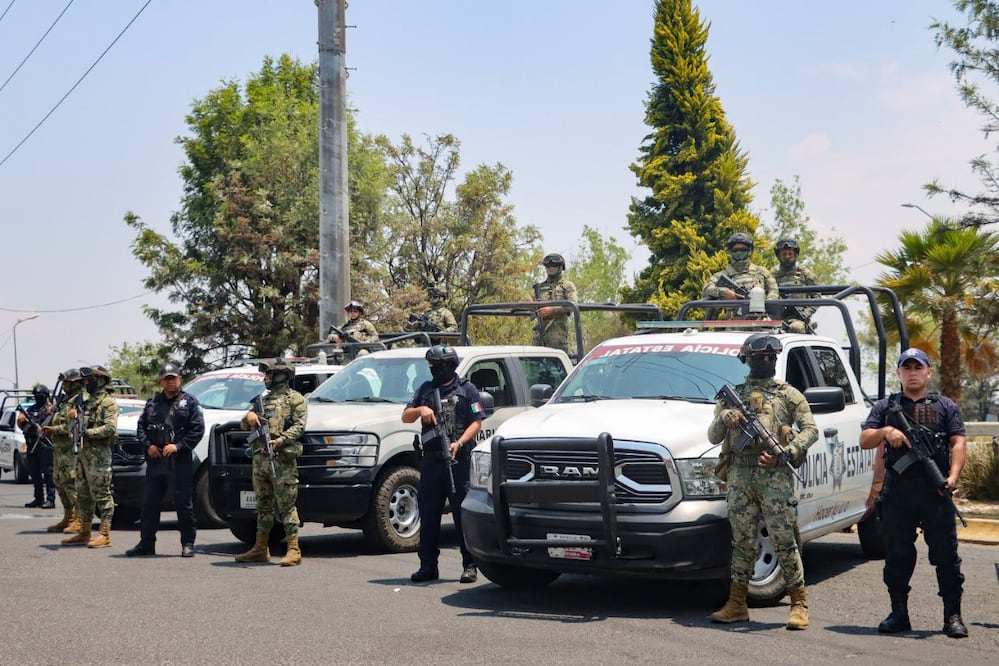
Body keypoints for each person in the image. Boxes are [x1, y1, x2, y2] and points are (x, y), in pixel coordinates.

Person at [708, 334, 818, 629]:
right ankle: (737, 603)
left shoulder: (789, 395)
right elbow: (713, 436)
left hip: (775, 477)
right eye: (760, 357)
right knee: (742, 542)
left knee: (784, 541)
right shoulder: (735, 395)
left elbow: (811, 429)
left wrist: (788, 451)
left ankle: (799, 604)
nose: (766, 361)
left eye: (771, 357)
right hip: (740, 475)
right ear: (746, 358)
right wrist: (726, 417)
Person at [860, 348, 968, 638]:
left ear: (928, 372)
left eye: (918, 367)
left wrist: (953, 476)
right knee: (897, 557)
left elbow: (958, 442)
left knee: (946, 558)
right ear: (899, 373)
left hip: (936, 493)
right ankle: (899, 614)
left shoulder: (946, 406)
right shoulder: (886, 407)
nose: (912, 372)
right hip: (899, 496)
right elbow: (865, 439)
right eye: (906, 368)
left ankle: (952, 616)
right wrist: (886, 433)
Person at [402, 345, 484, 583]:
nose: (432, 370)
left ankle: (470, 565)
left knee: (461, 516)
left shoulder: (467, 390)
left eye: (435, 366)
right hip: (430, 463)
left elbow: (477, 422)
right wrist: (421, 409)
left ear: (448, 366)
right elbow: (405, 416)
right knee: (428, 516)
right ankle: (428, 566)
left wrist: (460, 442)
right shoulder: (426, 390)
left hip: (458, 461)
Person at [126, 362, 206, 558]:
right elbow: (141, 427)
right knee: (150, 504)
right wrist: (148, 446)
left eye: (174, 378)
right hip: (156, 460)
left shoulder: (190, 402)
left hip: (180, 460)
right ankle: (146, 543)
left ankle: (188, 543)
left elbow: (198, 430)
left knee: (184, 504)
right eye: (167, 379)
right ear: (161, 381)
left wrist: (178, 446)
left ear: (180, 379)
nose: (170, 382)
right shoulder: (153, 402)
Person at [235, 359, 308, 566]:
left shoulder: (295, 399)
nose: (265, 378)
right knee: (262, 507)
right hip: (260, 461)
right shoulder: (262, 400)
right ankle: (260, 548)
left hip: (282, 461)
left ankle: (294, 549)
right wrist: (249, 416)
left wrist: (280, 441)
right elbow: (243, 425)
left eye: (269, 374)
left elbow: (299, 427)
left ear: (282, 375)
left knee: (286, 506)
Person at [61, 366, 118, 548]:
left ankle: (105, 534)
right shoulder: (84, 402)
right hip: (83, 455)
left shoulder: (108, 403)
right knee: (83, 495)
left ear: (101, 381)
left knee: (102, 495)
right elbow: (73, 430)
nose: (86, 383)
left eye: (91, 379)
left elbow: (110, 428)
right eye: (86, 380)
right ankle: (84, 532)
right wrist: (72, 419)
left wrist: (88, 432)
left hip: (99, 456)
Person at [40, 369, 86, 534]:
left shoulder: (80, 400)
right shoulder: (64, 401)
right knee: (59, 482)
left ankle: (79, 520)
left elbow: (73, 426)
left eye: (67, 382)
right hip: (59, 449)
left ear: (74, 384)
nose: (64, 385)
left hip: (71, 450)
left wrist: (53, 429)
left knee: (72, 484)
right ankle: (69, 517)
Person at [702, 233, 779, 317]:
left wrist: (767, 305)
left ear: (750, 251)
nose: (739, 253)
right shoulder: (724, 274)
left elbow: (774, 290)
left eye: (743, 250)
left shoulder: (762, 272)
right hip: (733, 322)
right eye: (735, 250)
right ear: (731, 252)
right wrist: (724, 292)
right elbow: (706, 288)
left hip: (760, 318)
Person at [17, 384, 56, 509]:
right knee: (35, 474)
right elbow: (24, 427)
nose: (38, 397)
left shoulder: (51, 410)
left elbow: (55, 426)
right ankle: (38, 498)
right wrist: (22, 422)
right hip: (32, 444)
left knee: (49, 474)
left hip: (46, 446)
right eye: (36, 395)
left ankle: (50, 499)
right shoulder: (30, 410)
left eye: (41, 395)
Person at [531, 253, 578, 355]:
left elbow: (572, 305)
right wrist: (529, 304)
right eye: (547, 266)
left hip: (557, 336)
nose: (550, 268)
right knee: (534, 365)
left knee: (555, 368)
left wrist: (552, 310)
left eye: (554, 266)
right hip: (539, 334)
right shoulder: (540, 287)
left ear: (560, 267)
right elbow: (531, 304)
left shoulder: (566, 285)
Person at [773, 238, 818, 333]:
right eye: (784, 254)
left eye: (790, 254)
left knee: (796, 328)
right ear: (778, 256)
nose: (787, 257)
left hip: (799, 319)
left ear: (795, 254)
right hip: (778, 318)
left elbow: (817, 298)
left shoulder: (805, 274)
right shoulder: (772, 276)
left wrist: (805, 313)